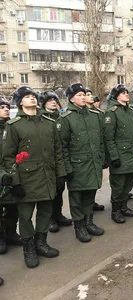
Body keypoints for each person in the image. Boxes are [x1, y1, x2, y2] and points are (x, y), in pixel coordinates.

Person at [3, 86, 66, 268]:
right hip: (26, 180)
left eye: (33, 96)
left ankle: (41, 242)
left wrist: (60, 175)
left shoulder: (49, 122)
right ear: (20, 102)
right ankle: (29, 248)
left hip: (47, 176)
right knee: (25, 216)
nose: (31, 99)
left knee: (46, 212)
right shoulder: (13, 126)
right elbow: (8, 157)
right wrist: (14, 182)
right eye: (27, 96)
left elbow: (58, 151)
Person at [58, 83, 104, 243]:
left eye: (84, 94)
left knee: (90, 194)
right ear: (71, 98)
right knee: (77, 198)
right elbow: (62, 147)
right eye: (79, 95)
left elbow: (101, 140)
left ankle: (89, 222)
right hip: (76, 165)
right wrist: (67, 168)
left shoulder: (94, 116)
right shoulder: (65, 118)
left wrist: (101, 158)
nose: (83, 97)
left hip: (93, 163)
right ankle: (79, 227)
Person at [104, 84, 133, 223]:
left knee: (128, 184)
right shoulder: (111, 112)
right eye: (123, 92)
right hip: (120, 155)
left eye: (127, 92)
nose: (126, 94)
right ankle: (116, 211)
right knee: (118, 186)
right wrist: (114, 156)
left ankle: (124, 207)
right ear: (116, 96)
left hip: (132, 154)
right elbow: (109, 137)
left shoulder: (130, 111)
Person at [38, 91, 73, 233]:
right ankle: (50, 219)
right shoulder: (41, 118)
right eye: (50, 100)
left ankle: (58, 215)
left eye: (55, 99)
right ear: (43, 103)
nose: (53, 102)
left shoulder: (61, 117)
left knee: (60, 188)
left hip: (60, 159)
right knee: (49, 192)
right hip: (46, 161)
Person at [0, 97, 23, 255]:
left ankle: (11, 233)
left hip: (12, 172)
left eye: (7, 107)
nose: (6, 109)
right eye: (2, 107)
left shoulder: (12, 127)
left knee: (13, 207)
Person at [85, 88, 106, 211]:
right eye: (87, 94)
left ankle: (91, 202)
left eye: (89, 94)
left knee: (95, 180)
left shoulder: (98, 114)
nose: (90, 96)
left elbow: (102, 134)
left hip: (96, 152)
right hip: (84, 154)